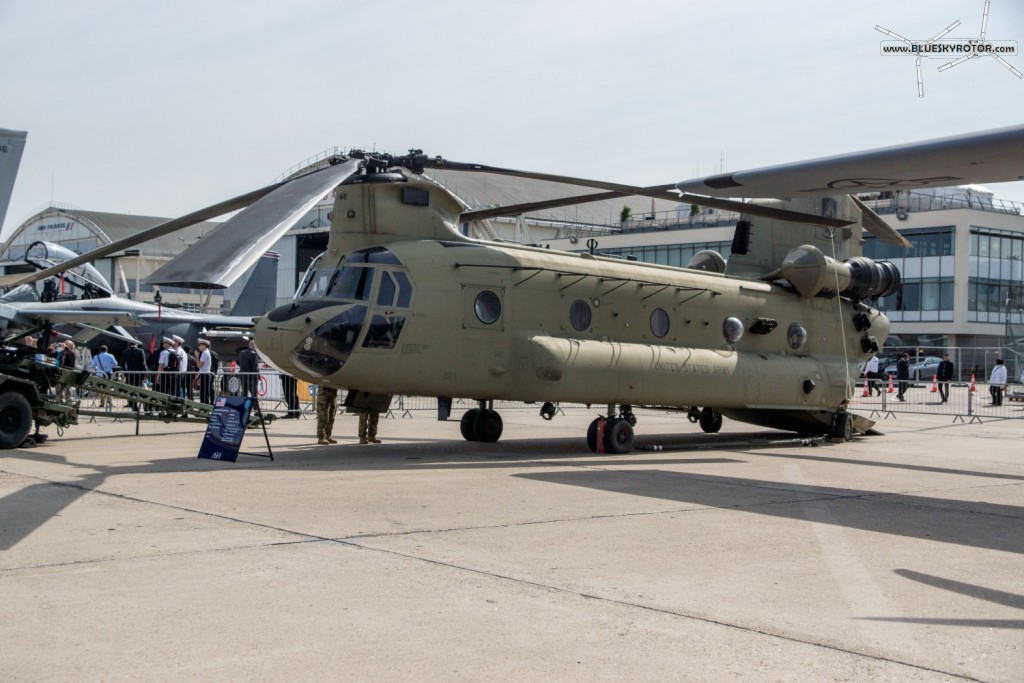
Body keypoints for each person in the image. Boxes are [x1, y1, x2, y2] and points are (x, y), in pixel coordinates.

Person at [121, 340, 148, 412]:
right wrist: (145, 375)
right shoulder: (141, 351)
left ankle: (133, 405)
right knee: (139, 389)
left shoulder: (125, 352)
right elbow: (143, 364)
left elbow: (122, 364)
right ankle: (141, 405)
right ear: (136, 344)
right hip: (139, 374)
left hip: (130, 374)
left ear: (129, 344)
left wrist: (126, 373)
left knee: (131, 390)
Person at [196, 338, 214, 405]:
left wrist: (197, 357)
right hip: (204, 374)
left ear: (204, 345)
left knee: (205, 392)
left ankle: (205, 407)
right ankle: (203, 406)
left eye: (200, 345)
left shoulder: (204, 353)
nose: (199, 347)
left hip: (205, 374)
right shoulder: (206, 352)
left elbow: (199, 365)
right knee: (204, 392)